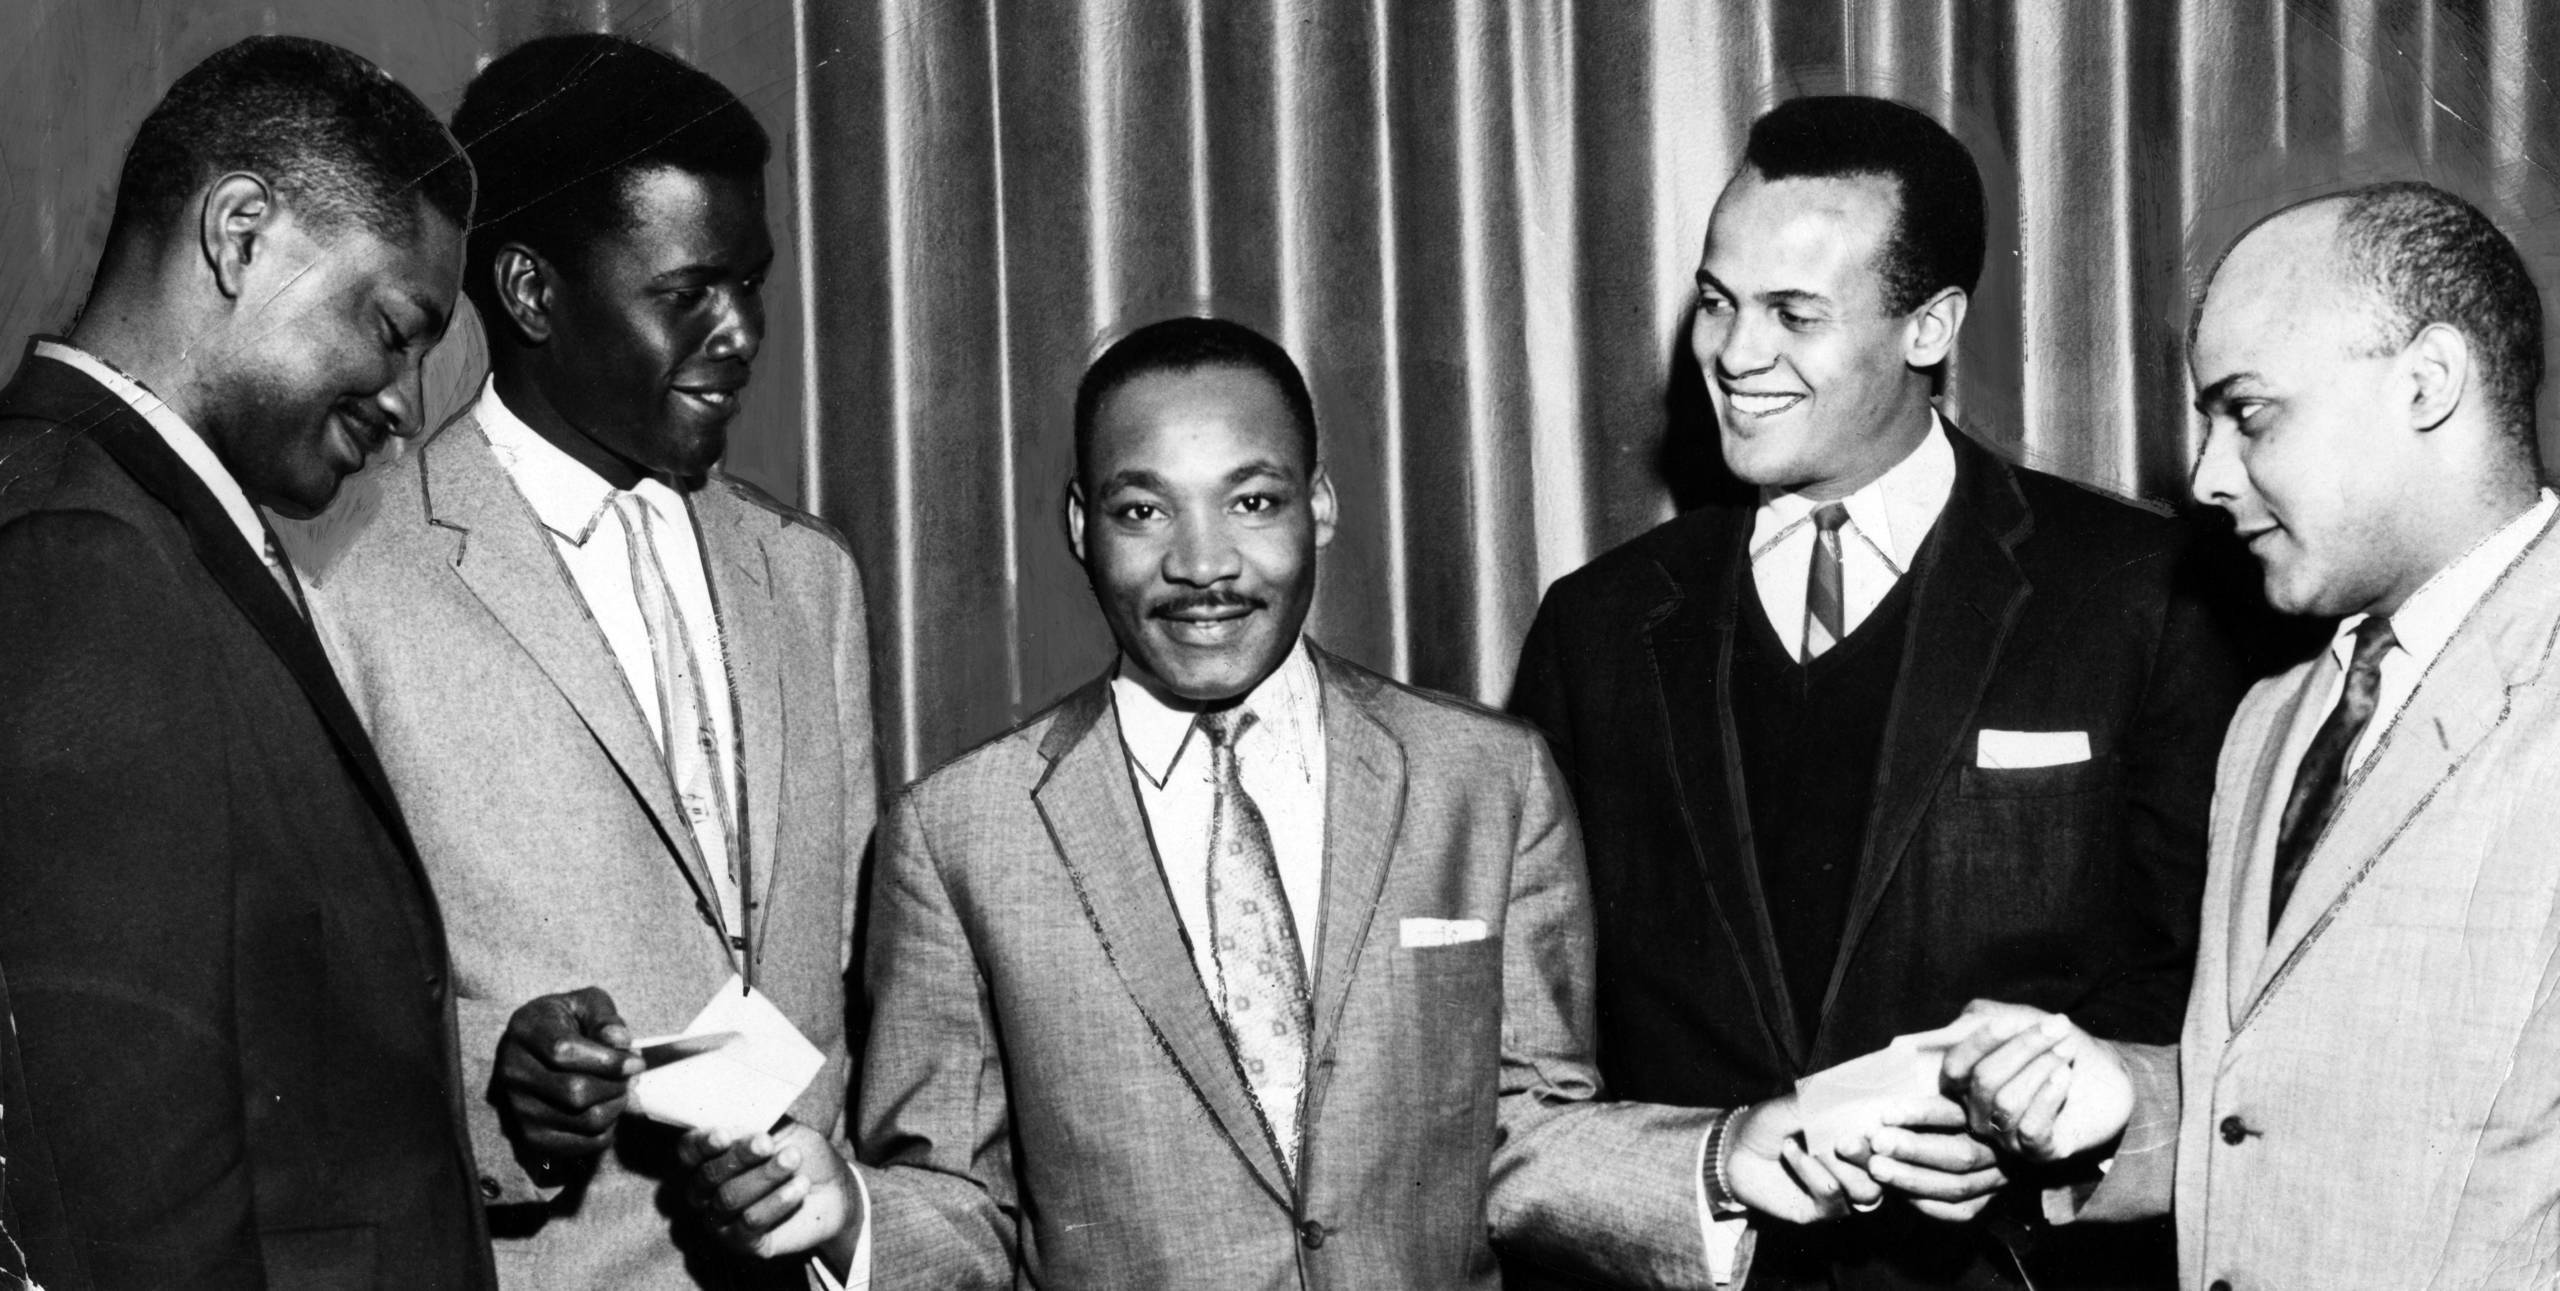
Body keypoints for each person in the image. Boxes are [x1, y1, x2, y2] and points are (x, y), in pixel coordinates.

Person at [674, 316, 1943, 1286]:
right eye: (1141, 509)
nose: (1202, 563)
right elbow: (960, 1202)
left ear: (1320, 507)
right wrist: (850, 1213)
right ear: (1079, 526)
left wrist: (1730, 1153)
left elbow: (1529, 1140)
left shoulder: (1484, 782)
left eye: (1253, 500)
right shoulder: (959, 835)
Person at [1508, 94, 2242, 1289]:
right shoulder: (1596, 626)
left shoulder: (2139, 594)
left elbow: (2194, 987)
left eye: (1794, 314)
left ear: (1929, 326)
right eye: (1717, 301)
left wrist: (2034, 1137)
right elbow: (1543, 1044)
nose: (1734, 355)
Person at [299, 33, 875, 1288]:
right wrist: (491, 1080)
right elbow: (304, 1024)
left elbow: (846, 991)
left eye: (753, 284)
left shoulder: (811, 578)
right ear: (530, 291)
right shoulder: (348, 587)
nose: (742, 332)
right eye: (689, 291)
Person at [1948, 181, 2560, 1291]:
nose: (2207, 478)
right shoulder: (2272, 719)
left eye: (2249, 413)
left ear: (2427, 383)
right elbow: (2276, 1105)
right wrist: (2117, 1100)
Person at [0, 35, 492, 1289]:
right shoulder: (83, 556)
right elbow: (123, 1176)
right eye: (392, 327)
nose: (407, 404)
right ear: (239, 234)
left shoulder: (153, 533)